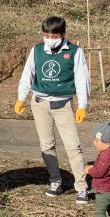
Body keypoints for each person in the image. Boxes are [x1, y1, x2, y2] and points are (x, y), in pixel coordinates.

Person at [14, 16, 91, 204]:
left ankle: (81, 187)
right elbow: (28, 74)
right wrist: (21, 98)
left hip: (62, 105)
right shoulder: (37, 50)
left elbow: (82, 79)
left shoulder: (74, 52)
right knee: (47, 146)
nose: (50, 38)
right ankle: (55, 180)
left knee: (73, 146)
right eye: (46, 35)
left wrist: (83, 105)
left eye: (54, 35)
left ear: (63, 34)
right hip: (39, 103)